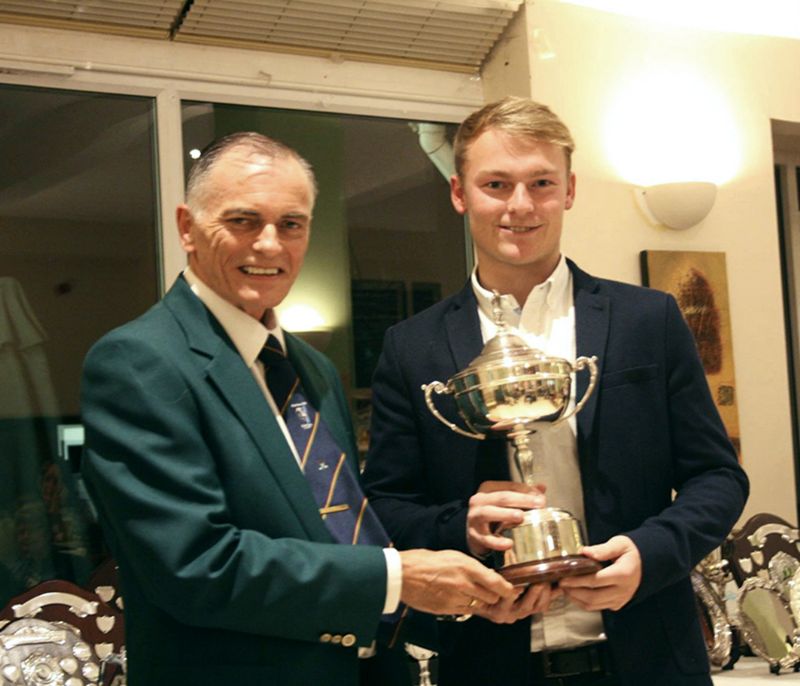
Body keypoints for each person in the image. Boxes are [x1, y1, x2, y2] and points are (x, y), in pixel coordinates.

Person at [79, 132, 519, 686]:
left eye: (292, 224)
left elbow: (341, 538)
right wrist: (397, 577)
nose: (270, 245)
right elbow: (196, 566)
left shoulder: (311, 369)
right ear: (187, 227)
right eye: (242, 221)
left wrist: (466, 595)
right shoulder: (140, 363)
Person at [361, 97, 749, 686]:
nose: (520, 205)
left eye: (541, 183)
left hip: (647, 661)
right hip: (488, 666)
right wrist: (457, 527)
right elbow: (384, 507)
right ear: (459, 194)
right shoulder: (410, 348)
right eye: (496, 184)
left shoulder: (648, 319)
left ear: (568, 190)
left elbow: (719, 477)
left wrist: (651, 554)